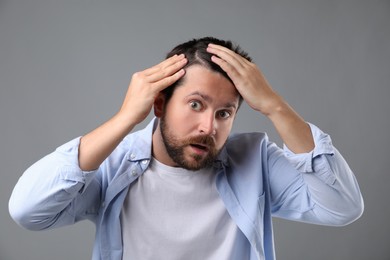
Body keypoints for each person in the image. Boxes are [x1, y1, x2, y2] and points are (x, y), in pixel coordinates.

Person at [9, 37, 364, 260]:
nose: (209, 127)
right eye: (196, 104)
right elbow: (28, 210)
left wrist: (275, 106)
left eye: (224, 113)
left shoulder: (255, 160)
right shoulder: (114, 163)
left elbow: (342, 207)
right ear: (160, 105)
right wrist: (124, 119)